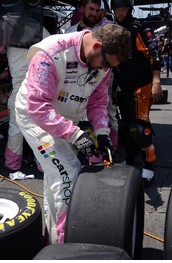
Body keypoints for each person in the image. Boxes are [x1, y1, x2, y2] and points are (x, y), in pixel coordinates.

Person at [15, 23, 131, 244]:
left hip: (63, 120)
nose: (106, 69)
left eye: (110, 67)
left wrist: (102, 132)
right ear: (97, 46)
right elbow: (38, 107)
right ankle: (63, 245)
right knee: (68, 175)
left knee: (56, 179)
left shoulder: (103, 63)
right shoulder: (52, 53)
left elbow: (98, 102)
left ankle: (49, 239)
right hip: (35, 119)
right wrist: (75, 135)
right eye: (105, 63)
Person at [111, 0, 163, 187]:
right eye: (117, 8)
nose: (120, 11)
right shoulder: (113, 29)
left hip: (142, 85)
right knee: (126, 126)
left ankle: (149, 166)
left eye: (124, 8)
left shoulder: (140, 28)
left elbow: (154, 53)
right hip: (123, 87)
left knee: (140, 127)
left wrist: (156, 81)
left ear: (130, 9)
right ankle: (130, 162)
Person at [65, 0, 118, 156]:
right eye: (91, 9)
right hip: (72, 81)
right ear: (82, 8)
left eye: (97, 10)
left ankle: (109, 150)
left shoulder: (103, 30)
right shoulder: (69, 31)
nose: (93, 13)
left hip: (100, 79)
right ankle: (78, 152)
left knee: (108, 112)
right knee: (73, 115)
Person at [3, 26, 50, 171]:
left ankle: (12, 164)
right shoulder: (41, 30)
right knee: (40, 129)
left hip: (19, 93)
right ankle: (44, 164)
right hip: (37, 92)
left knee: (16, 128)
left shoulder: (8, 28)